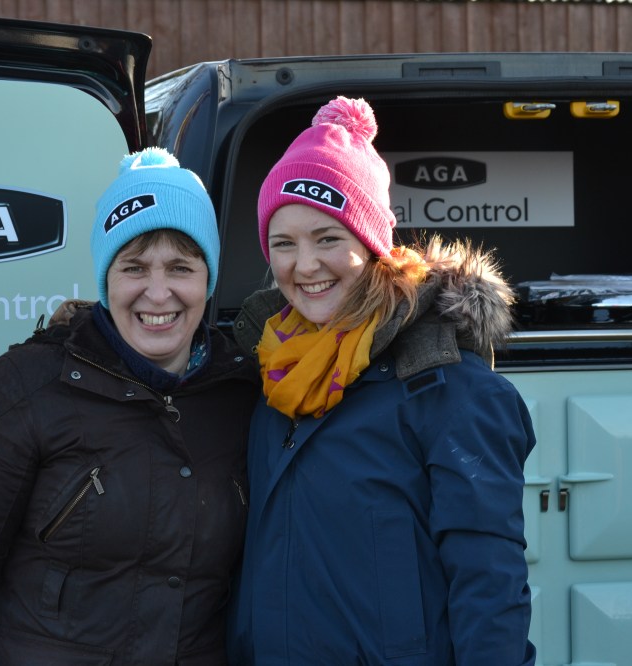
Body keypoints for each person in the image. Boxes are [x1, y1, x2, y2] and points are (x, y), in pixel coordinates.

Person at [0, 148, 259, 665]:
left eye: (181, 267)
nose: (158, 292)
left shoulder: (241, 395)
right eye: (134, 267)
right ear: (105, 279)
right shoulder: (27, 386)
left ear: (207, 281)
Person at [227, 97, 537, 665]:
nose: (305, 265)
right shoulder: (271, 374)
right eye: (283, 244)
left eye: (327, 238)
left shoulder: (450, 391)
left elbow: (490, 585)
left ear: (370, 244)